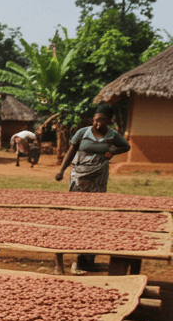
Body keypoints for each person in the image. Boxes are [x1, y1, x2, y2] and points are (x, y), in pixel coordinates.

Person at [56, 104, 131, 274]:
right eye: (95, 120)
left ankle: (86, 260)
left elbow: (126, 147)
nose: (97, 123)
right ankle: (65, 259)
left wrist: (112, 151)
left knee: (94, 216)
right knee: (76, 215)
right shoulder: (83, 132)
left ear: (109, 120)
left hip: (98, 178)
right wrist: (61, 170)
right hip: (79, 177)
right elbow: (71, 151)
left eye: (101, 120)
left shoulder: (112, 135)